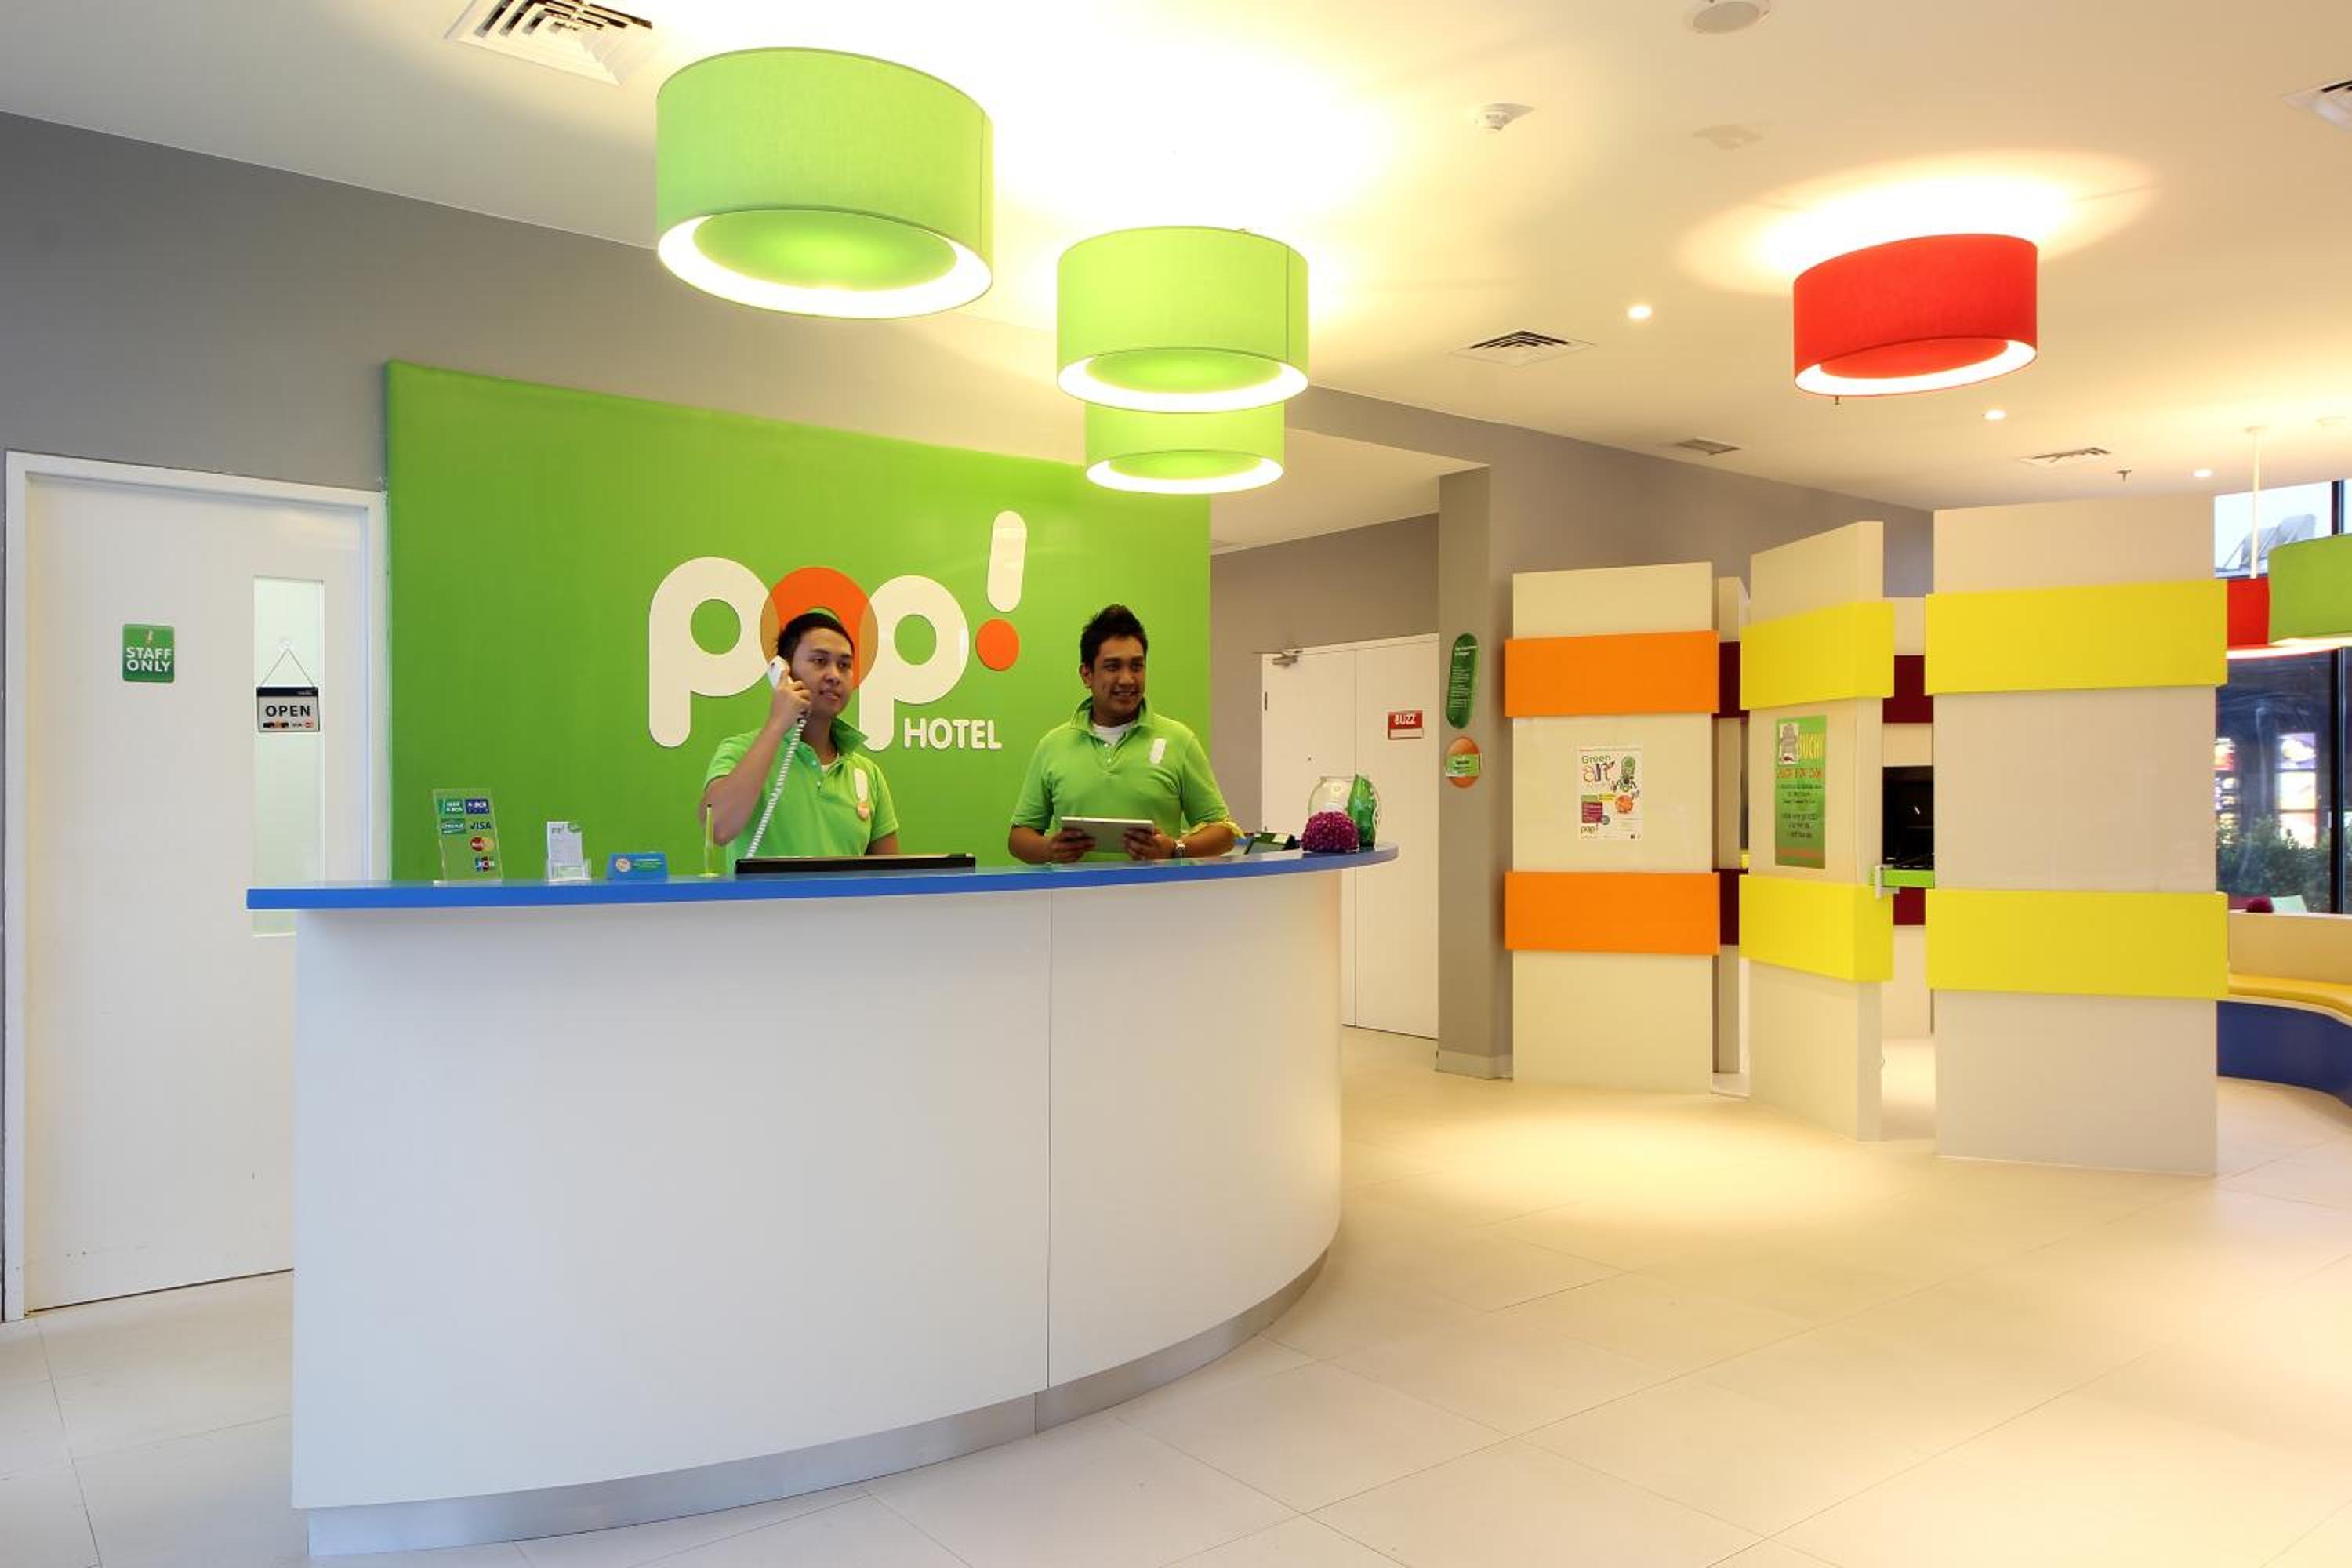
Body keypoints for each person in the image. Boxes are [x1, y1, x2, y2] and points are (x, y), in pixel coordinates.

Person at [1008, 604, 1238, 864]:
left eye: (1137, 666)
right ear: (1087, 674)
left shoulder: (1180, 740)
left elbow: (1224, 833)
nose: (1127, 679)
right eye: (1113, 666)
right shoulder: (1052, 745)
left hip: (1159, 891)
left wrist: (1175, 849)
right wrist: (1049, 849)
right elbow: (1019, 837)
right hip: (1072, 892)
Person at [701, 611, 899, 865]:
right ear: (784, 672)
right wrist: (777, 724)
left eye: (844, 665)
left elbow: (892, 877)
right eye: (819, 661)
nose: (834, 675)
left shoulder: (868, 774)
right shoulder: (740, 751)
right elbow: (718, 829)